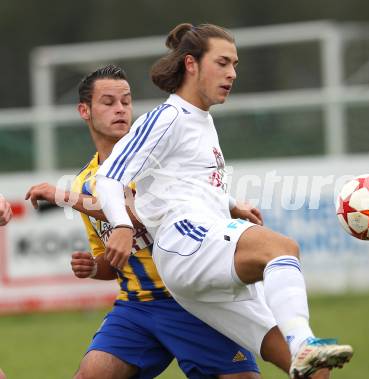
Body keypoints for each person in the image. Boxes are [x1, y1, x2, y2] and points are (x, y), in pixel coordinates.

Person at [94, 24, 353, 379]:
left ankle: (305, 352)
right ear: (191, 64)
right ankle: (306, 341)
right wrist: (121, 225)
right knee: (281, 249)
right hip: (185, 242)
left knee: (314, 371)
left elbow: (180, 181)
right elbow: (108, 176)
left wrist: (230, 204)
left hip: (200, 262)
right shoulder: (168, 116)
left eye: (235, 64)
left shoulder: (201, 121)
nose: (232, 73)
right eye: (223, 62)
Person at [26, 65, 277, 379]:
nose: (120, 109)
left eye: (126, 101)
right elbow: (115, 256)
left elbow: (135, 215)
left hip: (192, 301)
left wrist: (62, 196)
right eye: (108, 102)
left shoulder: (153, 158)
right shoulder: (83, 183)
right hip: (138, 308)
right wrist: (94, 267)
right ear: (84, 111)